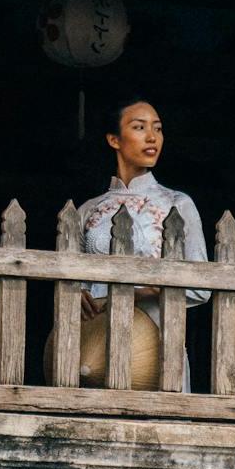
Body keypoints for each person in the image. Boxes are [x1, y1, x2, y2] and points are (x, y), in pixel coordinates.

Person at [76, 97, 210, 389]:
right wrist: (77, 295)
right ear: (114, 139)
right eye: (139, 127)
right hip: (93, 348)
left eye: (158, 129)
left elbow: (202, 286)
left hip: (156, 342)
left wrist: (140, 292)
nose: (152, 137)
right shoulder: (88, 210)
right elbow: (70, 280)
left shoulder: (177, 203)